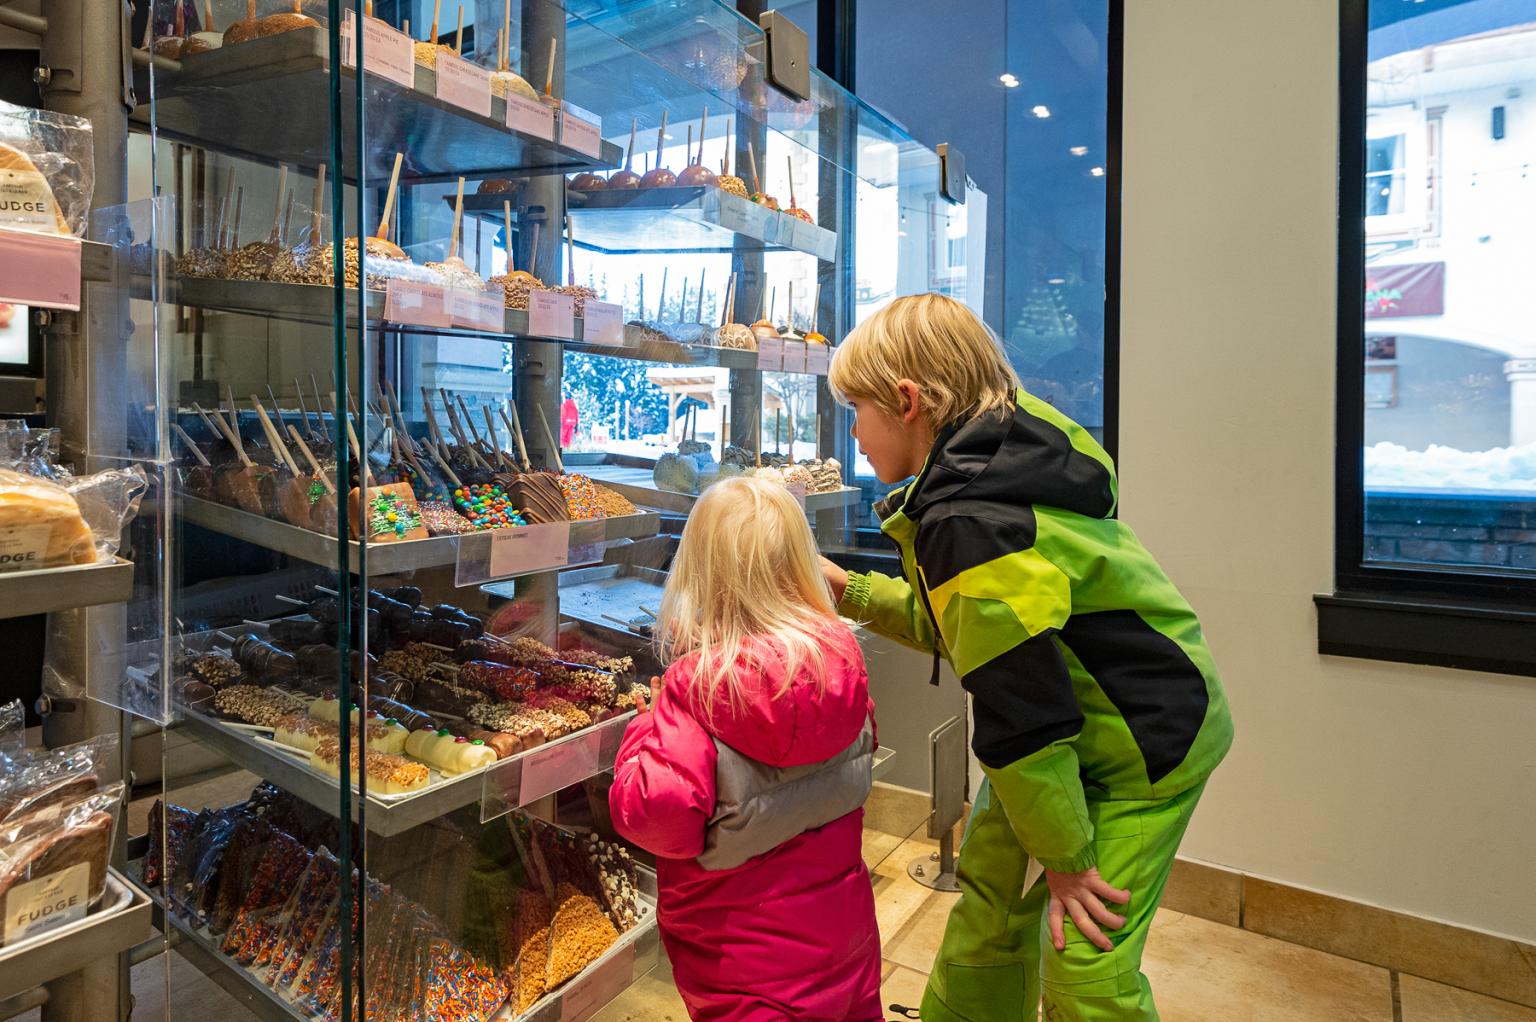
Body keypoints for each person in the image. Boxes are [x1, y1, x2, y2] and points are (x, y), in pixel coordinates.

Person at [824, 293, 1233, 1021]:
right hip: (1068, 740)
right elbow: (968, 630)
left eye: (856, 408)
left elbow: (1026, 716)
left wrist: (1070, 862)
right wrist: (849, 589)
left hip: (1142, 747)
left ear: (909, 401)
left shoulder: (970, 518)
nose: (852, 432)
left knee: (1083, 966)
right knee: (991, 909)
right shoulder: (987, 473)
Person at [609, 475, 882, 1022]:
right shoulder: (843, 666)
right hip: (844, 940)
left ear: (699, 574)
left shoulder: (698, 693)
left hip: (742, 967)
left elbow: (655, 820)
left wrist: (645, 729)